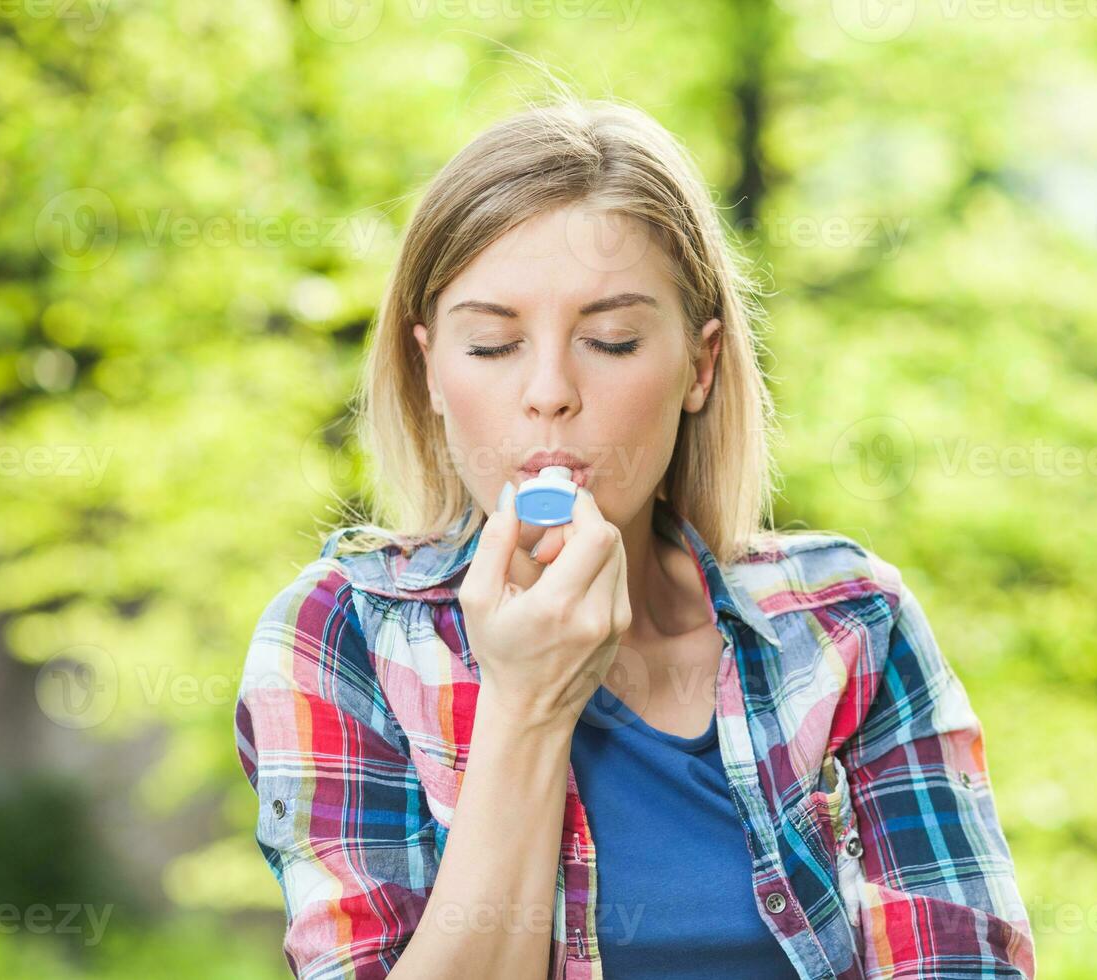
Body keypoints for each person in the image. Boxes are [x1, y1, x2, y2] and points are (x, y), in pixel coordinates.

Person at [234, 96, 1035, 980]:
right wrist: (528, 708)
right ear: (428, 368)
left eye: (610, 341)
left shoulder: (850, 623)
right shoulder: (337, 636)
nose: (549, 392)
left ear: (699, 365)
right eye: (493, 345)